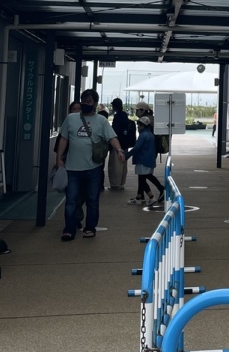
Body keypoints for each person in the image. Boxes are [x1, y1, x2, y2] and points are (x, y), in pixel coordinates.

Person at [55, 89, 124, 240]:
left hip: (93, 168)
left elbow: (112, 137)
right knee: (71, 200)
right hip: (72, 168)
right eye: (84, 101)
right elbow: (63, 139)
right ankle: (69, 228)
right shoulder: (71, 118)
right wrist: (59, 158)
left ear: (95, 103)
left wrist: (119, 150)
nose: (86, 103)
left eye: (89, 101)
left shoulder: (101, 121)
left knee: (92, 200)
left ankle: (90, 227)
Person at [130, 118, 164, 209]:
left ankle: (152, 196)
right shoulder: (150, 134)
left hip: (142, 160)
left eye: (139, 124)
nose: (138, 126)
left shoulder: (143, 135)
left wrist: (126, 156)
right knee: (145, 177)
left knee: (142, 179)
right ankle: (139, 197)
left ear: (143, 126)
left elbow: (136, 148)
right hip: (148, 160)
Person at [108, 98, 136, 190]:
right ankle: (121, 182)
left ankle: (115, 184)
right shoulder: (125, 115)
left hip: (117, 145)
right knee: (123, 164)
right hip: (125, 144)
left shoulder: (117, 117)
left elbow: (114, 132)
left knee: (115, 165)